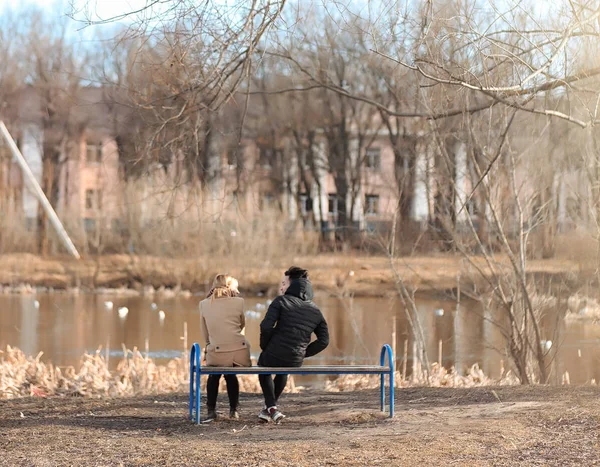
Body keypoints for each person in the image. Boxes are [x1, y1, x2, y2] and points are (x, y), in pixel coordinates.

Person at [257, 266, 329, 423]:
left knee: (263, 367)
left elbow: (265, 327)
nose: (281, 287)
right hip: (295, 360)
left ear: (293, 286)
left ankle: (271, 407)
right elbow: (324, 341)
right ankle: (269, 409)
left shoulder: (281, 301)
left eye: (284, 283)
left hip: (273, 354)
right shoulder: (316, 310)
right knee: (283, 370)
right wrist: (303, 352)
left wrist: (265, 346)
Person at [200, 274, 251, 421]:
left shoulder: (204, 304)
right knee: (231, 374)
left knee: (213, 375)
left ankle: (211, 411)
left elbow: (205, 334)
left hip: (216, 351)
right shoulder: (239, 302)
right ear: (229, 288)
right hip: (238, 353)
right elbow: (242, 326)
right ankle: (233, 410)